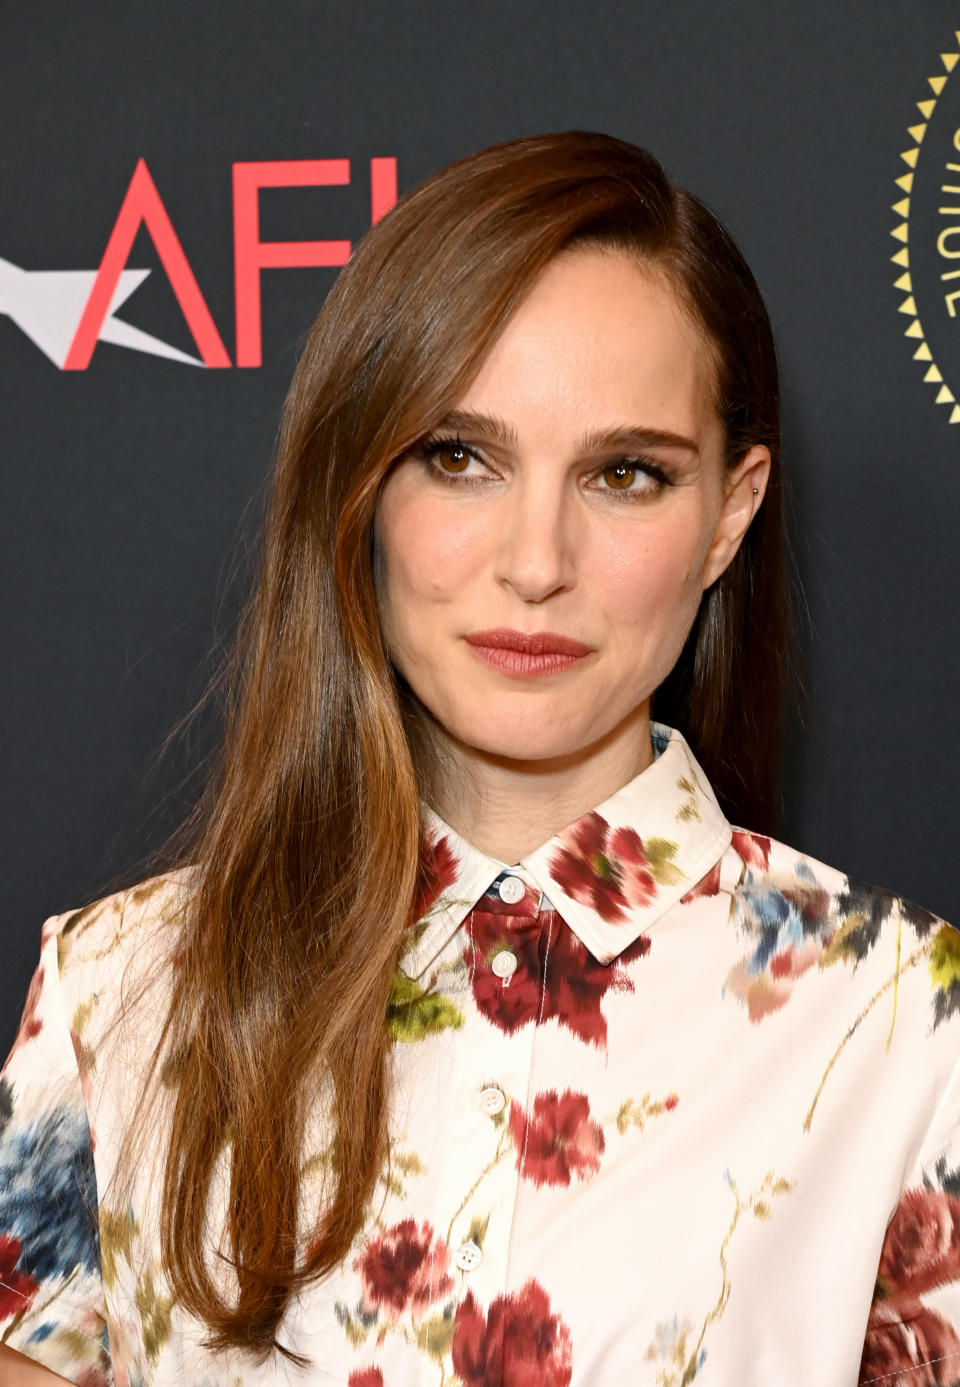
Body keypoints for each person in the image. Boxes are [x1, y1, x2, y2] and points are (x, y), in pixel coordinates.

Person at [0, 130, 957, 1387]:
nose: (536, 560)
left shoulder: (901, 1022)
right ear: (363, 488)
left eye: (625, 474)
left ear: (729, 512)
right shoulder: (116, 992)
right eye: (461, 457)